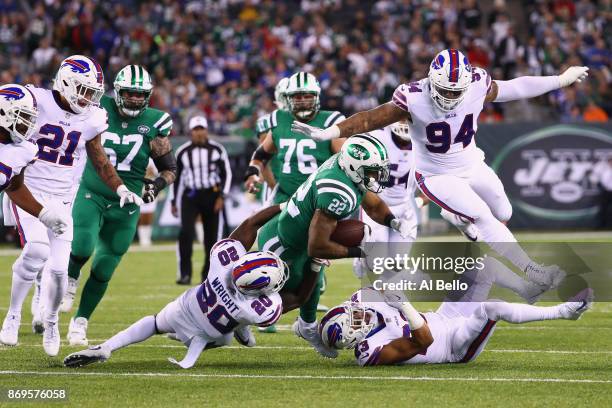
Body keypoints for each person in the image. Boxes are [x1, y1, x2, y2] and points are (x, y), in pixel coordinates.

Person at [293, 49, 589, 290]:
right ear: (431, 80)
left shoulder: (476, 84)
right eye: (444, 90)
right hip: (435, 175)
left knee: (504, 213)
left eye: (455, 91)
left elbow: (514, 87)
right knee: (483, 217)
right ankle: (532, 270)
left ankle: (456, 216)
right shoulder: (412, 97)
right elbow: (370, 119)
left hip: (473, 163)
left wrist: (560, 80)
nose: (449, 97)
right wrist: (330, 132)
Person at [0, 56, 143, 356]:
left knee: (59, 272)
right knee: (37, 249)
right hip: (29, 190)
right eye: (84, 90)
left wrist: (119, 187)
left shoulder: (92, 116)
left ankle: (50, 321)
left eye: (93, 92)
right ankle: (12, 315)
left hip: (64, 196)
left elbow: (99, 157)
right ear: (65, 82)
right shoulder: (35, 101)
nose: (88, 98)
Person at [63, 205, 287, 369]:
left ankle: (107, 347)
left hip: (185, 309)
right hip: (211, 334)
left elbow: (250, 224)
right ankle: (240, 330)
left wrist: (282, 205)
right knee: (227, 334)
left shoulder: (222, 262)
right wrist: (315, 265)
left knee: (154, 322)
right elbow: (296, 297)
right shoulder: (255, 308)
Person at [257, 135, 413, 358]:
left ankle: (307, 327)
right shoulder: (338, 190)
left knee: (315, 281)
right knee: (287, 296)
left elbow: (373, 205)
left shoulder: (346, 169)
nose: (376, 176)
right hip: (286, 245)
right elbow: (317, 247)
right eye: (371, 171)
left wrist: (393, 222)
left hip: (299, 235)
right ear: (355, 167)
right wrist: (361, 251)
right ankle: (241, 318)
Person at [59, 64, 176, 347]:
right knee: (83, 245)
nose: (135, 99)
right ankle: (70, 280)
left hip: (128, 203)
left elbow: (169, 169)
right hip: (93, 191)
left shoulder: (156, 123)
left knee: (104, 268)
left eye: (140, 94)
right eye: (129, 93)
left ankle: (81, 321)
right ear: (117, 92)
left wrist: (155, 186)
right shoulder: (97, 109)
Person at [320, 259, 593, 366]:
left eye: (351, 312)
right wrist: (404, 304)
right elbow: (423, 341)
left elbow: (389, 284)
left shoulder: (360, 303)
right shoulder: (370, 353)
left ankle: (527, 290)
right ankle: (564, 312)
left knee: (482, 267)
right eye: (353, 320)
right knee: (492, 308)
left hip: (443, 317)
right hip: (453, 345)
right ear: (352, 338)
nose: (358, 313)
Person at [244, 72, 346, 332]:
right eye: (296, 96)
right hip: (283, 200)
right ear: (288, 99)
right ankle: (262, 311)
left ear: (317, 97)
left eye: (307, 96)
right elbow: (261, 154)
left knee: (313, 263)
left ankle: (305, 320)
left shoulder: (332, 122)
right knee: (271, 260)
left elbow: (346, 161)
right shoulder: (278, 120)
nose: (301, 101)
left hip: (314, 206)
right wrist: (253, 172)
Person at [172, 116, 232, 284]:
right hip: (190, 196)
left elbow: (226, 173)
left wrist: (222, 196)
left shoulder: (217, 149)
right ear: (191, 132)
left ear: (206, 130)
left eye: (201, 129)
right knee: (186, 233)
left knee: (212, 238)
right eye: (196, 129)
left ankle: (207, 276)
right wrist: (173, 201)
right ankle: (185, 274)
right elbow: (176, 179)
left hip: (211, 196)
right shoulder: (183, 152)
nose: (199, 133)